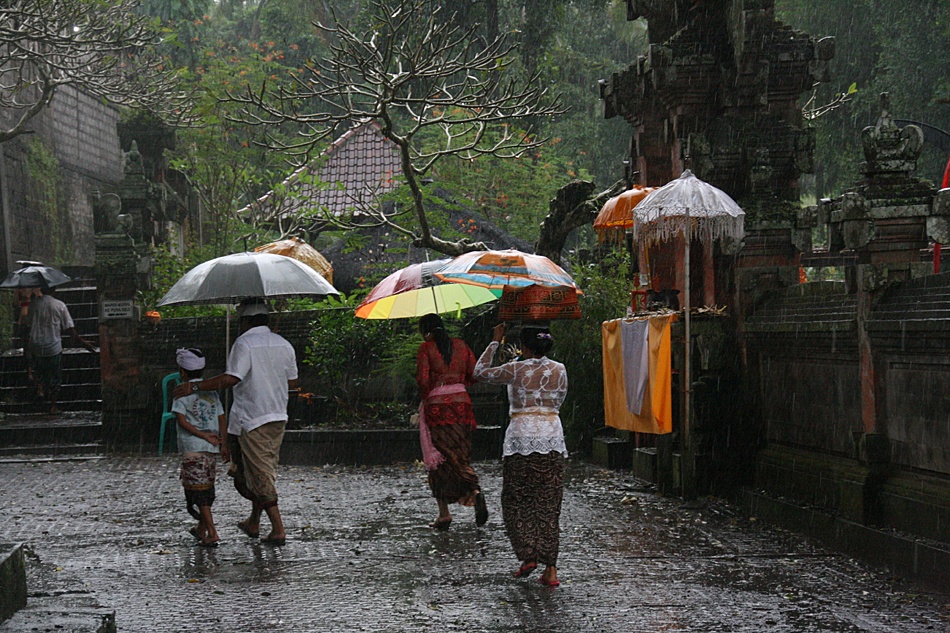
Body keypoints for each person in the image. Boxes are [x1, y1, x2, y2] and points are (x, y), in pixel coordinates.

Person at [172, 298, 298, 546]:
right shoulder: (284, 344)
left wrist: (194, 386)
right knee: (247, 469)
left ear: (246, 320)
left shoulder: (245, 343)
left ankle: (278, 529)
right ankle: (253, 521)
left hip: (252, 418)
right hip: (276, 415)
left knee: (260, 473)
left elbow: (232, 378)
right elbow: (293, 383)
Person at [473, 322, 568, 587]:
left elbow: (479, 372)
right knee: (549, 504)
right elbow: (559, 400)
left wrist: (495, 340)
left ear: (524, 346)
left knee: (516, 500)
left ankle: (528, 554)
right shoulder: (560, 370)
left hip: (520, 440)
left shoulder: (515, 369)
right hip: (551, 439)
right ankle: (550, 569)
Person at [416, 313, 488, 530]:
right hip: (462, 406)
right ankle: (474, 492)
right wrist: (459, 381)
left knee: (439, 459)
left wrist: (427, 396)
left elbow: (423, 379)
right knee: (459, 455)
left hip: (437, 409)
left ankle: (444, 514)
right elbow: (476, 373)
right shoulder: (461, 345)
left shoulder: (426, 348)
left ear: (426, 331)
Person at [172, 348, 228, 547]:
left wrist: (201, 434)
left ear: (182, 372)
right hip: (211, 448)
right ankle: (201, 528)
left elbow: (181, 420)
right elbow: (221, 417)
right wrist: (223, 442)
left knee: (197, 492)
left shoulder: (181, 392)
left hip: (193, 447)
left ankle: (212, 532)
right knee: (206, 488)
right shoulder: (210, 390)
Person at [25, 284, 97, 414]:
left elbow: (28, 325)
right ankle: (53, 406)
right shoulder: (59, 305)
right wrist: (83, 343)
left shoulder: (33, 305)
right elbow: (69, 329)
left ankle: (40, 389)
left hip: (35, 345)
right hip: (53, 346)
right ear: (54, 290)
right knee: (54, 375)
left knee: (39, 371)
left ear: (41, 289)